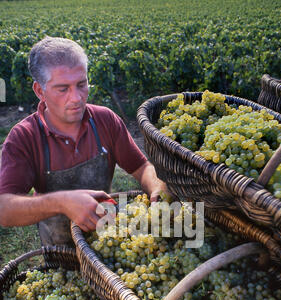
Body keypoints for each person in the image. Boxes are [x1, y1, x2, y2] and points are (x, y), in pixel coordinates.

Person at [0, 36, 168, 246]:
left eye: (82, 84)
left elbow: (141, 167)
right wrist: (62, 203)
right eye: (63, 89)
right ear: (40, 91)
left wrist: (156, 186)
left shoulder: (105, 120)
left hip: (106, 240)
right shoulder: (24, 138)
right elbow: (4, 210)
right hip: (59, 247)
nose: (77, 97)